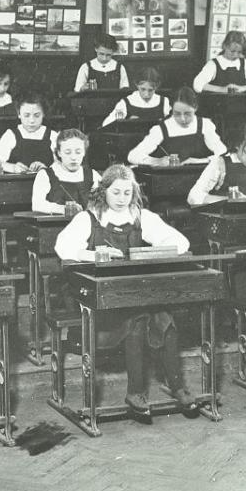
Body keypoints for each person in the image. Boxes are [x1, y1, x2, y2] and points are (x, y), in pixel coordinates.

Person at [54, 164, 196, 414]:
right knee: (138, 320)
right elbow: (63, 248)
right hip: (94, 296)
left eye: (127, 193)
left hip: (132, 292)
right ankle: (135, 392)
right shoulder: (88, 218)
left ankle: (177, 387)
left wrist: (150, 252)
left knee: (166, 320)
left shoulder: (142, 216)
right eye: (116, 192)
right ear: (104, 191)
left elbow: (180, 242)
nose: (122, 199)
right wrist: (95, 254)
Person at [127, 86, 226, 166]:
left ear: (195, 108)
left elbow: (222, 153)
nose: (182, 119)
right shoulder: (161, 129)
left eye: (187, 113)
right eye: (177, 114)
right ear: (171, 109)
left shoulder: (205, 125)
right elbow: (133, 156)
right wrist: (157, 161)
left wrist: (198, 161)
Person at [32, 129, 101, 214]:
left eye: (78, 152)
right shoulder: (45, 175)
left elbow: (103, 203)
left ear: (84, 152)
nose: (73, 157)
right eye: (68, 152)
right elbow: (37, 205)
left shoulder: (93, 175)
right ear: (59, 153)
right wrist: (63, 209)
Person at [0, 92, 58, 173]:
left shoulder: (52, 135)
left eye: (36, 115)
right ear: (19, 114)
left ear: (43, 114)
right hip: (17, 183)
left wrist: (47, 169)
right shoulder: (11, 135)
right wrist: (13, 168)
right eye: (26, 115)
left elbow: (61, 163)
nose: (31, 120)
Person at [192, 31, 246, 95]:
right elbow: (197, 85)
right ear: (225, 46)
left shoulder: (244, 63)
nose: (235, 55)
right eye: (232, 51)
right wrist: (223, 89)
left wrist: (243, 88)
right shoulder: (213, 64)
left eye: (239, 52)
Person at [100, 67, 170, 127]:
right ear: (137, 85)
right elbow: (107, 124)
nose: (146, 94)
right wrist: (127, 122)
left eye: (150, 90)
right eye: (143, 89)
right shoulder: (126, 102)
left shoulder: (163, 101)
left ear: (156, 87)